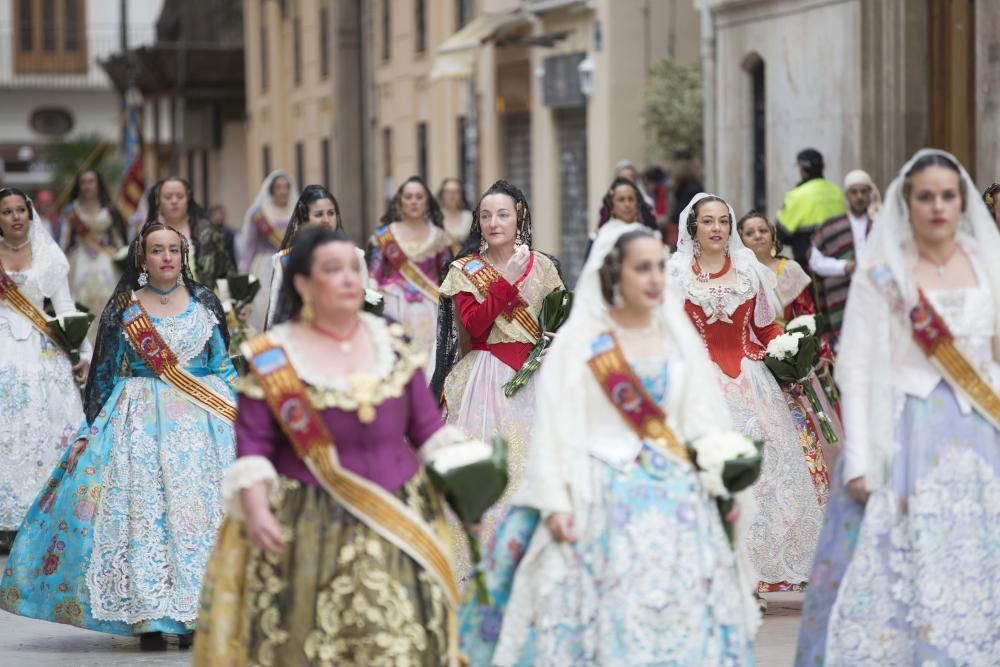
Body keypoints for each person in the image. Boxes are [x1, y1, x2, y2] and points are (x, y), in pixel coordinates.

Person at [481, 223, 760, 666]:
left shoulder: (675, 340)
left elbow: (699, 419)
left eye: (658, 268)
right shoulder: (582, 344)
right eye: (641, 268)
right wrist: (555, 501)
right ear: (615, 275)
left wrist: (719, 467)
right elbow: (556, 426)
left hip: (676, 500)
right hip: (601, 495)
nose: (655, 279)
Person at [194, 225, 470, 665]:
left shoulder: (392, 344)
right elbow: (254, 443)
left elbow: (427, 430)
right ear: (302, 283)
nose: (348, 279)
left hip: (397, 519)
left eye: (353, 269)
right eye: (332, 269)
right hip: (305, 526)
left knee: (401, 645)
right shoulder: (273, 356)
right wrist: (259, 508)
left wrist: (466, 485)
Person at [796, 149, 1000, 665]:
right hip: (906, 433)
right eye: (925, 195)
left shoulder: (985, 262)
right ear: (906, 202)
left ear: (962, 201)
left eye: (948, 196)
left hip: (980, 429)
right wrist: (861, 459)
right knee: (902, 568)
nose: (938, 206)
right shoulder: (883, 273)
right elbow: (857, 368)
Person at [0, 221, 237, 650]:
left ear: (183, 256)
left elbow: (223, 365)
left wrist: (242, 413)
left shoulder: (205, 303)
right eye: (157, 250)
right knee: (142, 516)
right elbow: (105, 377)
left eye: (173, 250)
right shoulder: (124, 308)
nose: (166, 257)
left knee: (193, 517)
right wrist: (88, 433)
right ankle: (147, 615)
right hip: (139, 424)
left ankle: (193, 613)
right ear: (141, 259)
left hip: (203, 424)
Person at [669, 193, 823, 595]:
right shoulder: (676, 274)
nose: (717, 228)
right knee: (710, 477)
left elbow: (765, 328)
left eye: (723, 221)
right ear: (694, 228)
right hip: (701, 387)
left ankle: (756, 574)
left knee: (764, 479)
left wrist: (788, 349)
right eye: (708, 221)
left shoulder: (749, 270)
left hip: (751, 381)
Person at [431, 180, 564, 580]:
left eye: (502, 214)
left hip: (536, 376)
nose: (493, 223)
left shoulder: (543, 265)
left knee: (535, 465)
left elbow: (557, 318)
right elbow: (473, 323)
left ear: (519, 216)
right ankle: (485, 556)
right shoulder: (465, 269)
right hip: (485, 380)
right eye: (485, 216)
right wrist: (504, 282)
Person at [0, 188, 90, 553]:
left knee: (45, 425)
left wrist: (82, 350)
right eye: (7, 211)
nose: (15, 216)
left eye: (21, 209)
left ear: (30, 213)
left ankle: (45, 514)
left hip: (40, 347)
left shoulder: (49, 255)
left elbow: (65, 305)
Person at [738, 210, 841, 503]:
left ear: (772, 235)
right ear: (741, 240)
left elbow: (806, 314)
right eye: (750, 232)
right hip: (751, 357)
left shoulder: (790, 270)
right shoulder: (740, 274)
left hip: (786, 353)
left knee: (800, 421)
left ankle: (809, 482)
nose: (757, 236)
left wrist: (813, 351)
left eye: (762, 230)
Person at [367, 176, 451, 380]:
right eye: (409, 197)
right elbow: (373, 276)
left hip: (431, 309)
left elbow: (448, 277)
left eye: (419, 197)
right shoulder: (385, 236)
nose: (414, 201)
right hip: (394, 305)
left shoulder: (439, 237)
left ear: (427, 201)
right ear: (400, 201)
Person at [264, 184, 368, 329]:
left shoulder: (355, 255)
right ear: (305, 218)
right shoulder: (285, 260)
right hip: (303, 334)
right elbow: (276, 307)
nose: (326, 220)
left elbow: (367, 300)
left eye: (331, 213)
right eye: (319, 214)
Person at [809, 169, 881, 348]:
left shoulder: (881, 224)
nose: (859, 197)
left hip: (877, 293)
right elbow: (815, 261)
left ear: (870, 194)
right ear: (846, 195)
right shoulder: (831, 226)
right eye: (854, 192)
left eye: (864, 191)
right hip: (844, 295)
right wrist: (844, 266)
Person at [58, 169, 128, 336]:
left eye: (91, 181)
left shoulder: (111, 210)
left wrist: (121, 256)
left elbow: (118, 239)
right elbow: (65, 239)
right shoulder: (71, 212)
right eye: (84, 182)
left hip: (107, 261)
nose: (87, 186)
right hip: (80, 260)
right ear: (79, 185)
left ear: (98, 184)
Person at [145, 177, 235, 285]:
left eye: (180, 196)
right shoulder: (148, 235)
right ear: (158, 201)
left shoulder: (206, 233)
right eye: (168, 197)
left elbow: (225, 271)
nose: (174, 201)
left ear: (188, 199)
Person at [239, 171, 298, 331]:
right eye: (279, 187)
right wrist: (244, 277)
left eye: (286, 187)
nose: (283, 191)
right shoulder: (259, 214)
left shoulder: (298, 213)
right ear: (272, 190)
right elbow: (250, 247)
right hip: (264, 268)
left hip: (291, 265)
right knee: (263, 309)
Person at [776, 148, 847, 267]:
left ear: (802, 169)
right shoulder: (837, 192)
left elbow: (781, 233)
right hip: (837, 261)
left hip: (807, 264)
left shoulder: (796, 195)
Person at [438, 177, 474, 253]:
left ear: (461, 195)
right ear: (442, 194)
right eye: (448, 192)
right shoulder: (434, 217)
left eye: (456, 191)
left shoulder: (469, 218)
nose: (452, 195)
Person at [208, 204, 238, 268]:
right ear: (211, 216)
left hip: (230, 267)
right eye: (217, 214)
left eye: (221, 214)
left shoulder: (231, 233)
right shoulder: (208, 235)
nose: (220, 217)